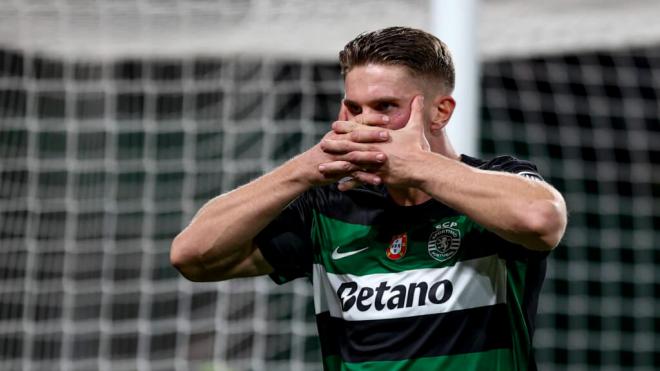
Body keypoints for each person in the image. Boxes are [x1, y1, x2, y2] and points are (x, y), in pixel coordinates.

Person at [171, 26, 567, 371]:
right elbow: (192, 255)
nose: (365, 122)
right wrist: (303, 170)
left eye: (385, 107)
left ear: (440, 112)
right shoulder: (329, 208)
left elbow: (540, 219)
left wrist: (414, 166)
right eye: (355, 108)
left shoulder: (493, 184)